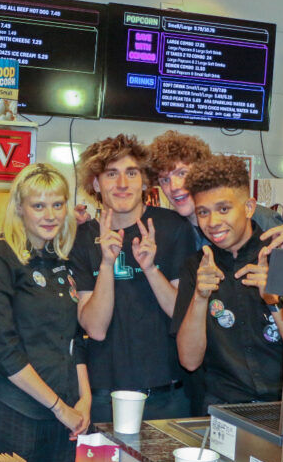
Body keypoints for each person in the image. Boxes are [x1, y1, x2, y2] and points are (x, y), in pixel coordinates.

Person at [70, 134, 197, 423]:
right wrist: (106, 262)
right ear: (96, 183)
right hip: (104, 397)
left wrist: (151, 269)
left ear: (144, 181)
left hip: (167, 396)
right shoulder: (82, 237)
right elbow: (95, 328)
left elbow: (183, 313)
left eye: (131, 173)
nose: (122, 184)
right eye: (111, 174)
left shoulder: (173, 228)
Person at [0, 163, 90, 462]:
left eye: (57, 204)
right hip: (15, 414)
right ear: (20, 209)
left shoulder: (61, 261)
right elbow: (2, 349)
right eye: (38, 205)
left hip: (64, 415)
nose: (50, 215)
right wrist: (60, 407)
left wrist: (85, 399)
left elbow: (74, 337)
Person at [172, 155, 283, 413]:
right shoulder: (197, 266)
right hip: (222, 411)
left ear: (248, 207)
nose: (213, 222)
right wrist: (200, 298)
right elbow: (189, 361)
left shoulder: (282, 257)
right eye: (204, 212)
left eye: (224, 209)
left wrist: (274, 301)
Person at [148, 130, 283, 250]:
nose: (174, 187)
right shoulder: (171, 229)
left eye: (182, 173)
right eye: (165, 180)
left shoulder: (259, 219)